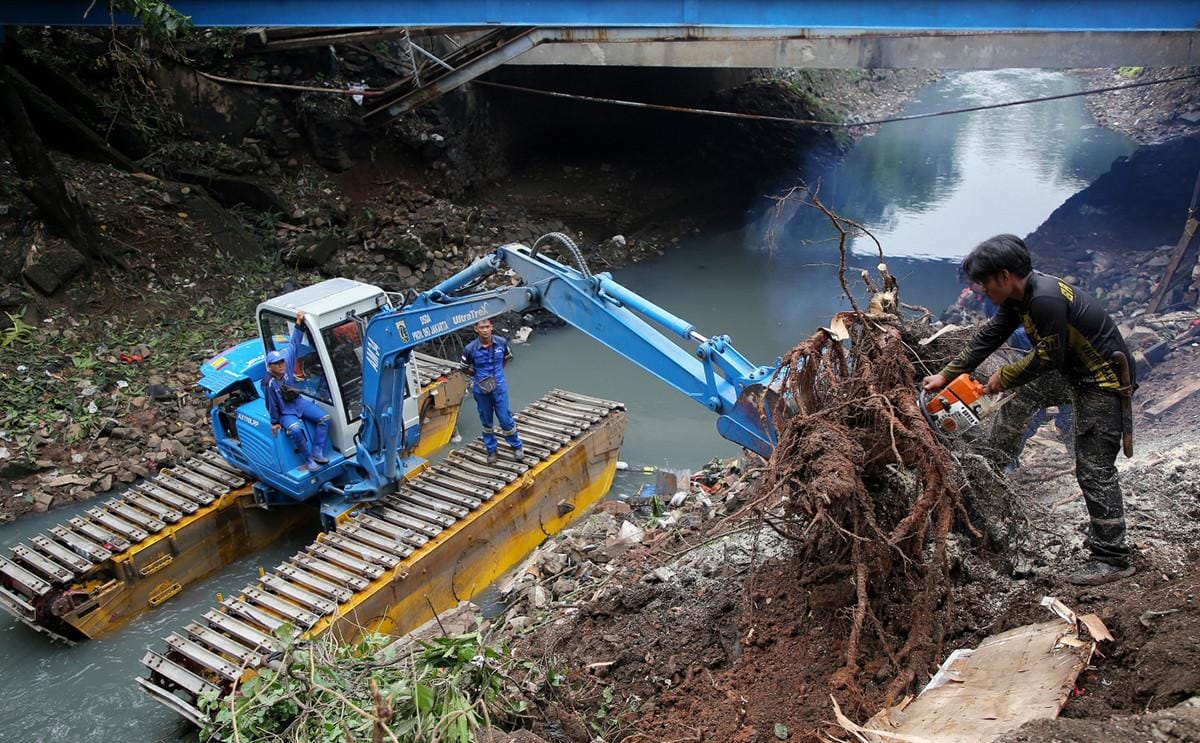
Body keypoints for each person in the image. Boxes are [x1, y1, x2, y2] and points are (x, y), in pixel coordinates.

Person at [922, 234, 1135, 586]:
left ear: (1004, 276)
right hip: (1073, 374)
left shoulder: (1045, 300)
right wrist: (946, 374)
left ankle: (1113, 557)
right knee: (1022, 398)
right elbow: (988, 336)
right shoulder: (1021, 297)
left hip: (1102, 381)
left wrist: (1002, 377)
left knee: (1093, 467)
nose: (983, 291)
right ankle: (992, 464)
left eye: (985, 283)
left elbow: (1049, 356)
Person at [264, 310, 332, 471]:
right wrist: (274, 422)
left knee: (325, 418)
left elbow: (294, 344)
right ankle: (308, 459)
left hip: (298, 403)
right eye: (276, 364)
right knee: (295, 430)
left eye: (281, 362)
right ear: (270, 366)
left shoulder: (287, 366)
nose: (281, 365)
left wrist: (299, 325)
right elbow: (271, 404)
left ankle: (317, 450)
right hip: (286, 411)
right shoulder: (269, 383)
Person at [461, 318, 523, 465]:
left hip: (499, 388)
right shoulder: (470, 349)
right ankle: (491, 451)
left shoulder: (501, 343)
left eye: (487, 327)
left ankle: (517, 447)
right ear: (476, 329)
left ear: (491, 327)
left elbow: (508, 358)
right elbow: (463, 367)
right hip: (481, 391)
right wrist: (477, 376)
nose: (485, 330)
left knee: (505, 419)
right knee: (486, 422)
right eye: (481, 327)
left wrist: (498, 373)